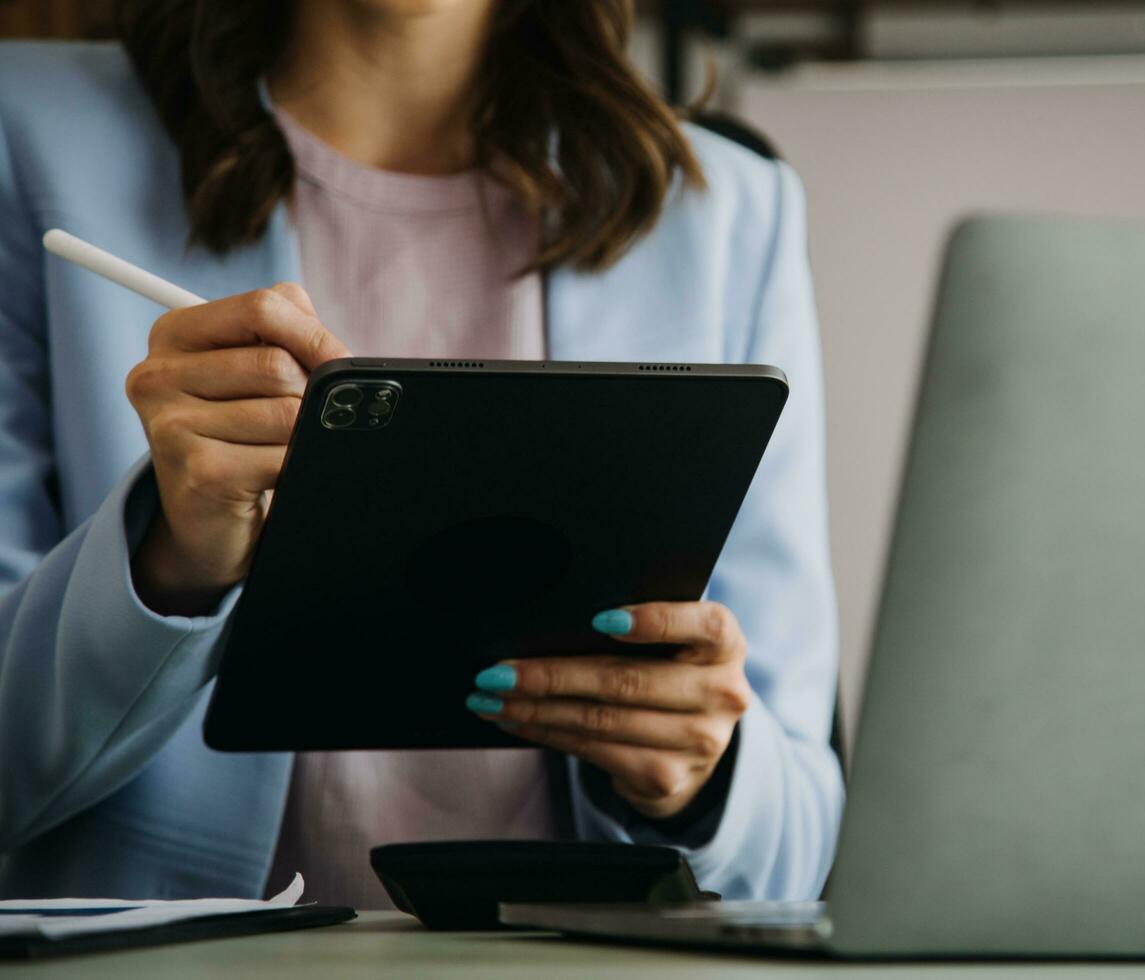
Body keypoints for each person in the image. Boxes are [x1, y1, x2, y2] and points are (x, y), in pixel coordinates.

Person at [0, 0, 841, 908]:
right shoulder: (29, 135)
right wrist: (170, 559)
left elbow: (796, 853)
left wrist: (706, 779)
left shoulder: (728, 214)